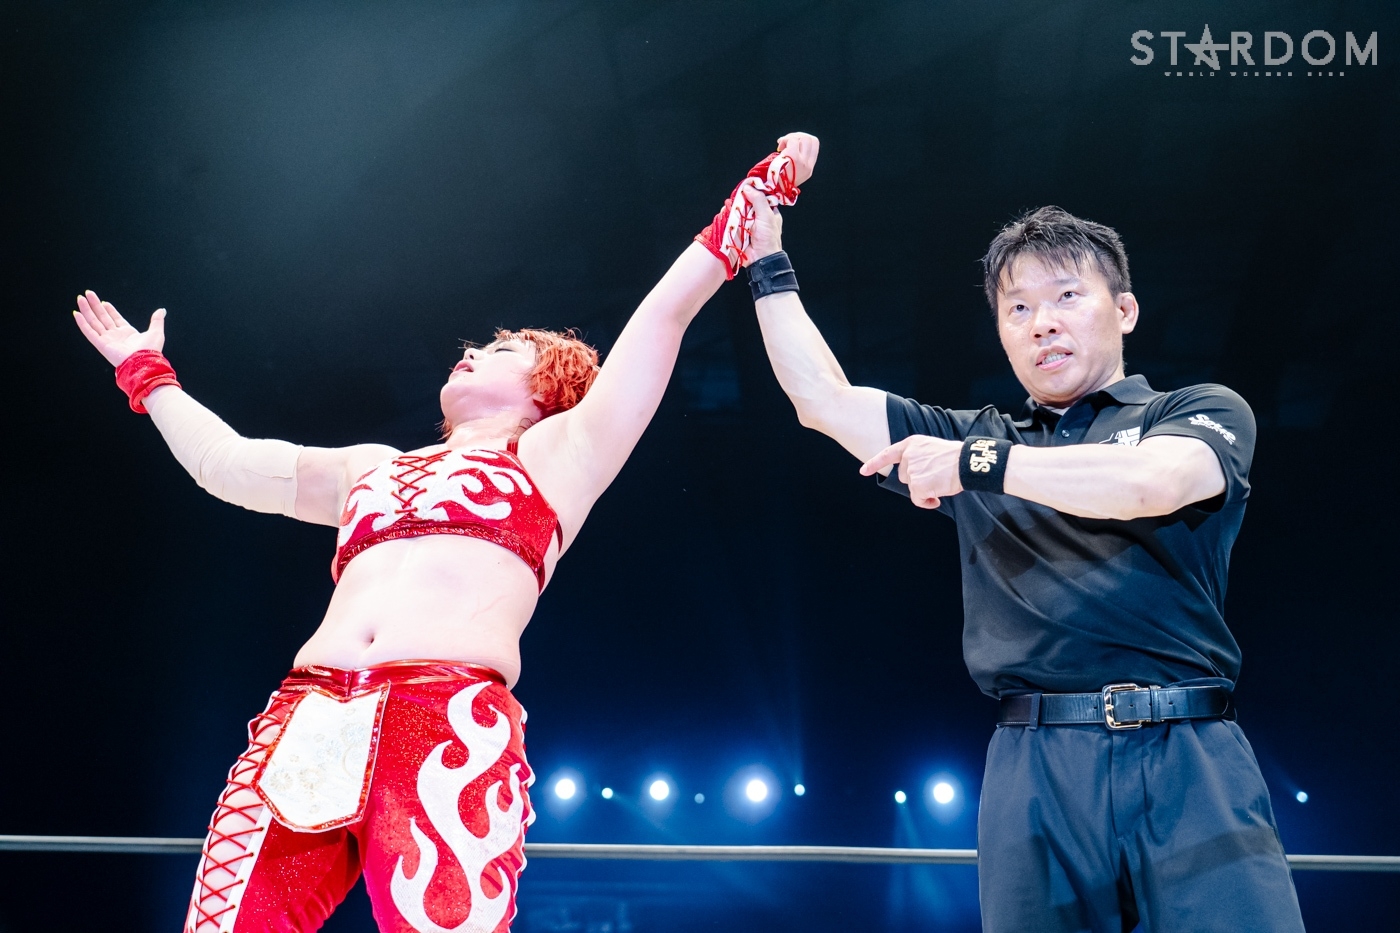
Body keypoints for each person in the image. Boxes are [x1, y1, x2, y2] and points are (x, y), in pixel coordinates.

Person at [71, 131, 819, 933]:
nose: (470, 353)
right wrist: (147, 375)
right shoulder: (370, 467)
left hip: (444, 716)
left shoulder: (562, 455)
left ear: (546, 387)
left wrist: (754, 197)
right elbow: (228, 465)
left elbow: (663, 316)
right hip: (309, 715)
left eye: (499, 350)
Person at [739, 197, 1306, 931]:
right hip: (1033, 763)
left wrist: (975, 464)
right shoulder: (975, 436)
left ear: (1125, 310)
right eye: (1018, 308)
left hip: (1189, 749)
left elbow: (1153, 482)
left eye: (1066, 296)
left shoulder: (1198, 409)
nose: (1042, 322)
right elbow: (822, 399)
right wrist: (764, 258)